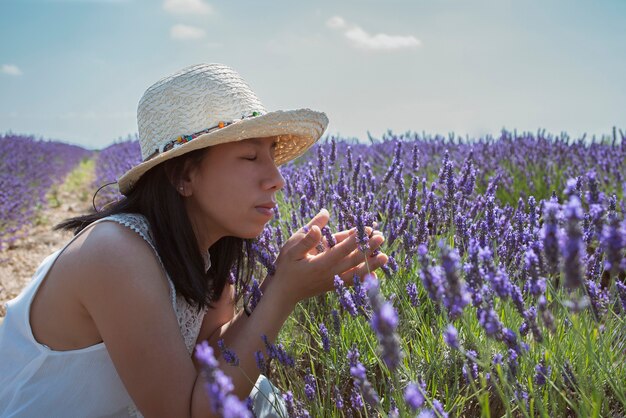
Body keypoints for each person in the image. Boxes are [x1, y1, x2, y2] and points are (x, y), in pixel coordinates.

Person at [0, 63, 389, 417]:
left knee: (261, 397)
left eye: (271, 155)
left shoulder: (206, 253)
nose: (277, 178)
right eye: (250, 158)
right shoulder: (116, 254)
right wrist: (282, 294)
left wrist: (277, 281)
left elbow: (211, 360)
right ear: (183, 176)